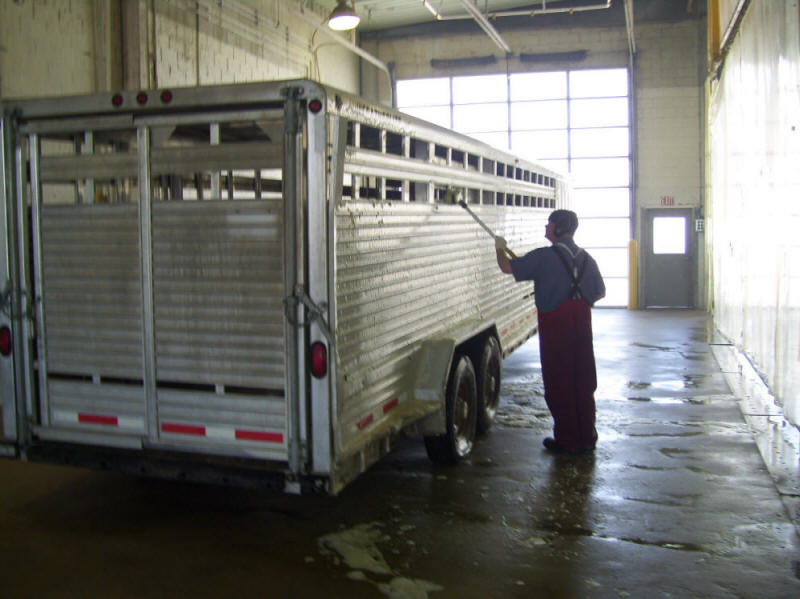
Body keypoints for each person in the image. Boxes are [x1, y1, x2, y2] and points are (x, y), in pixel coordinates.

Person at [495, 209, 605, 455]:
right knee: (583, 380)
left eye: (549, 224)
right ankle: (587, 437)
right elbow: (600, 292)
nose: (546, 228)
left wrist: (499, 247)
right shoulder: (587, 258)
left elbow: (506, 267)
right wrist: (578, 299)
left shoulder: (544, 257)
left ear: (557, 228)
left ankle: (566, 440)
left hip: (556, 325)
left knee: (559, 381)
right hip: (582, 324)